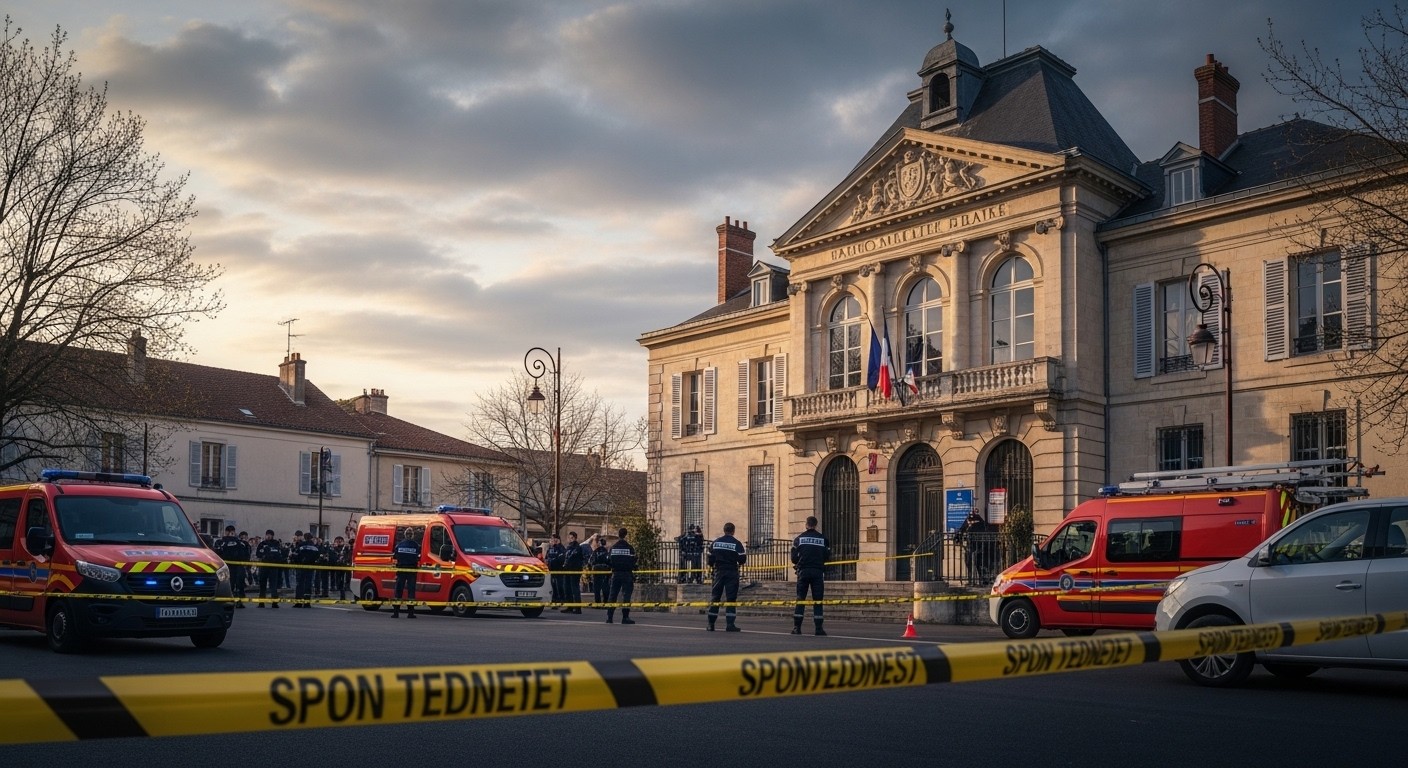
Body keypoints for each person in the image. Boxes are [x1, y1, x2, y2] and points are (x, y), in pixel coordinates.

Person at [791, 516, 832, 636]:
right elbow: (827, 556)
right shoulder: (823, 539)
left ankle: (797, 628)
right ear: (816, 525)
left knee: (800, 600)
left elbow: (794, 558)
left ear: (806, 524)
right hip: (818, 572)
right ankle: (818, 628)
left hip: (803, 572)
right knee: (818, 600)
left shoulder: (799, 539)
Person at [706, 522, 747, 632]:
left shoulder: (715, 542)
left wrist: (713, 564)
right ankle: (730, 624)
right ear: (733, 531)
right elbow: (742, 559)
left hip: (718, 571)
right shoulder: (736, 543)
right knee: (731, 599)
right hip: (731, 572)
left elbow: (710, 559)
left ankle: (711, 624)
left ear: (724, 530)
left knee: (715, 598)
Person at [605, 527, 636, 625]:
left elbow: (608, 561)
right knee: (626, 596)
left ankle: (610, 617)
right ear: (626, 535)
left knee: (613, 595)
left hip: (616, 573)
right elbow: (633, 561)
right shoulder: (629, 548)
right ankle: (625, 617)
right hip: (626, 574)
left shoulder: (613, 548)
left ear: (618, 535)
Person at [213, 525, 249, 608]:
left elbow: (217, 553)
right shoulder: (226, 542)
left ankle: (234, 601)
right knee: (233, 584)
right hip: (233, 566)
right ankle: (233, 601)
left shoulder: (223, 542)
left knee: (234, 584)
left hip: (230, 566)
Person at [957, 510, 995, 586]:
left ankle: (972, 581)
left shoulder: (968, 522)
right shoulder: (982, 522)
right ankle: (981, 580)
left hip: (972, 547)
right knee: (980, 565)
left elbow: (960, 532)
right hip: (981, 547)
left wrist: (958, 539)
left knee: (971, 564)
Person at [391, 527, 421, 618]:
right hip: (412, 571)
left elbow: (395, 556)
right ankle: (410, 613)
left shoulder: (399, 545)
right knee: (411, 592)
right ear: (412, 535)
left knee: (398, 591)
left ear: (404, 535)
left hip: (401, 570)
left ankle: (396, 612)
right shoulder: (416, 546)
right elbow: (418, 557)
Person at [255, 529, 284, 608]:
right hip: (264, 566)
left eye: (270, 535)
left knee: (273, 585)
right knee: (262, 585)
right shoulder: (262, 544)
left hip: (273, 567)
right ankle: (261, 602)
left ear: (272, 536)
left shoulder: (276, 543)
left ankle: (274, 602)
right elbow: (258, 553)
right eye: (267, 534)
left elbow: (279, 554)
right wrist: (264, 554)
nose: (268, 536)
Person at [293, 531, 321, 608]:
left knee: (300, 584)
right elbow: (318, 557)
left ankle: (298, 602)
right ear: (311, 538)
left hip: (301, 567)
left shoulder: (301, 545)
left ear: (304, 538)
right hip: (310, 568)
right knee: (308, 584)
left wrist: (297, 562)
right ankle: (307, 602)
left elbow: (296, 555)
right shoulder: (315, 547)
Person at [562, 532, 585, 613]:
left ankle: (578, 608)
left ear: (575, 538)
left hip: (575, 570)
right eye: (569, 537)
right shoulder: (568, 547)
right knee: (567, 589)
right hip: (567, 570)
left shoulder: (577, 547)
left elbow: (574, 558)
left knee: (574, 588)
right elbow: (566, 558)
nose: (570, 539)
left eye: (572, 538)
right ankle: (570, 606)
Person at [545, 534, 567, 610]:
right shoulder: (550, 548)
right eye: (551, 539)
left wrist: (553, 560)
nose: (552, 541)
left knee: (559, 586)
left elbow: (561, 558)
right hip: (551, 570)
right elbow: (547, 557)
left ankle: (561, 599)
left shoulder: (561, 548)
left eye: (554, 539)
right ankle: (554, 601)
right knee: (553, 586)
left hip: (559, 570)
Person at [589, 535, 611, 606]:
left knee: (597, 588)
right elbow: (610, 561)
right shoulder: (607, 552)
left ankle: (598, 603)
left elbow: (590, 561)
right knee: (605, 587)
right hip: (605, 571)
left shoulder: (595, 552)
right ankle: (606, 602)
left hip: (597, 571)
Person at [329, 535, 352, 601]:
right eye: (337, 541)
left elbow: (348, 555)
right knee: (337, 579)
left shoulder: (345, 548)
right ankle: (337, 587)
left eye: (340, 541)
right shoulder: (334, 548)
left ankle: (343, 593)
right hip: (336, 566)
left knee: (343, 579)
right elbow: (333, 555)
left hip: (343, 566)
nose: (339, 542)